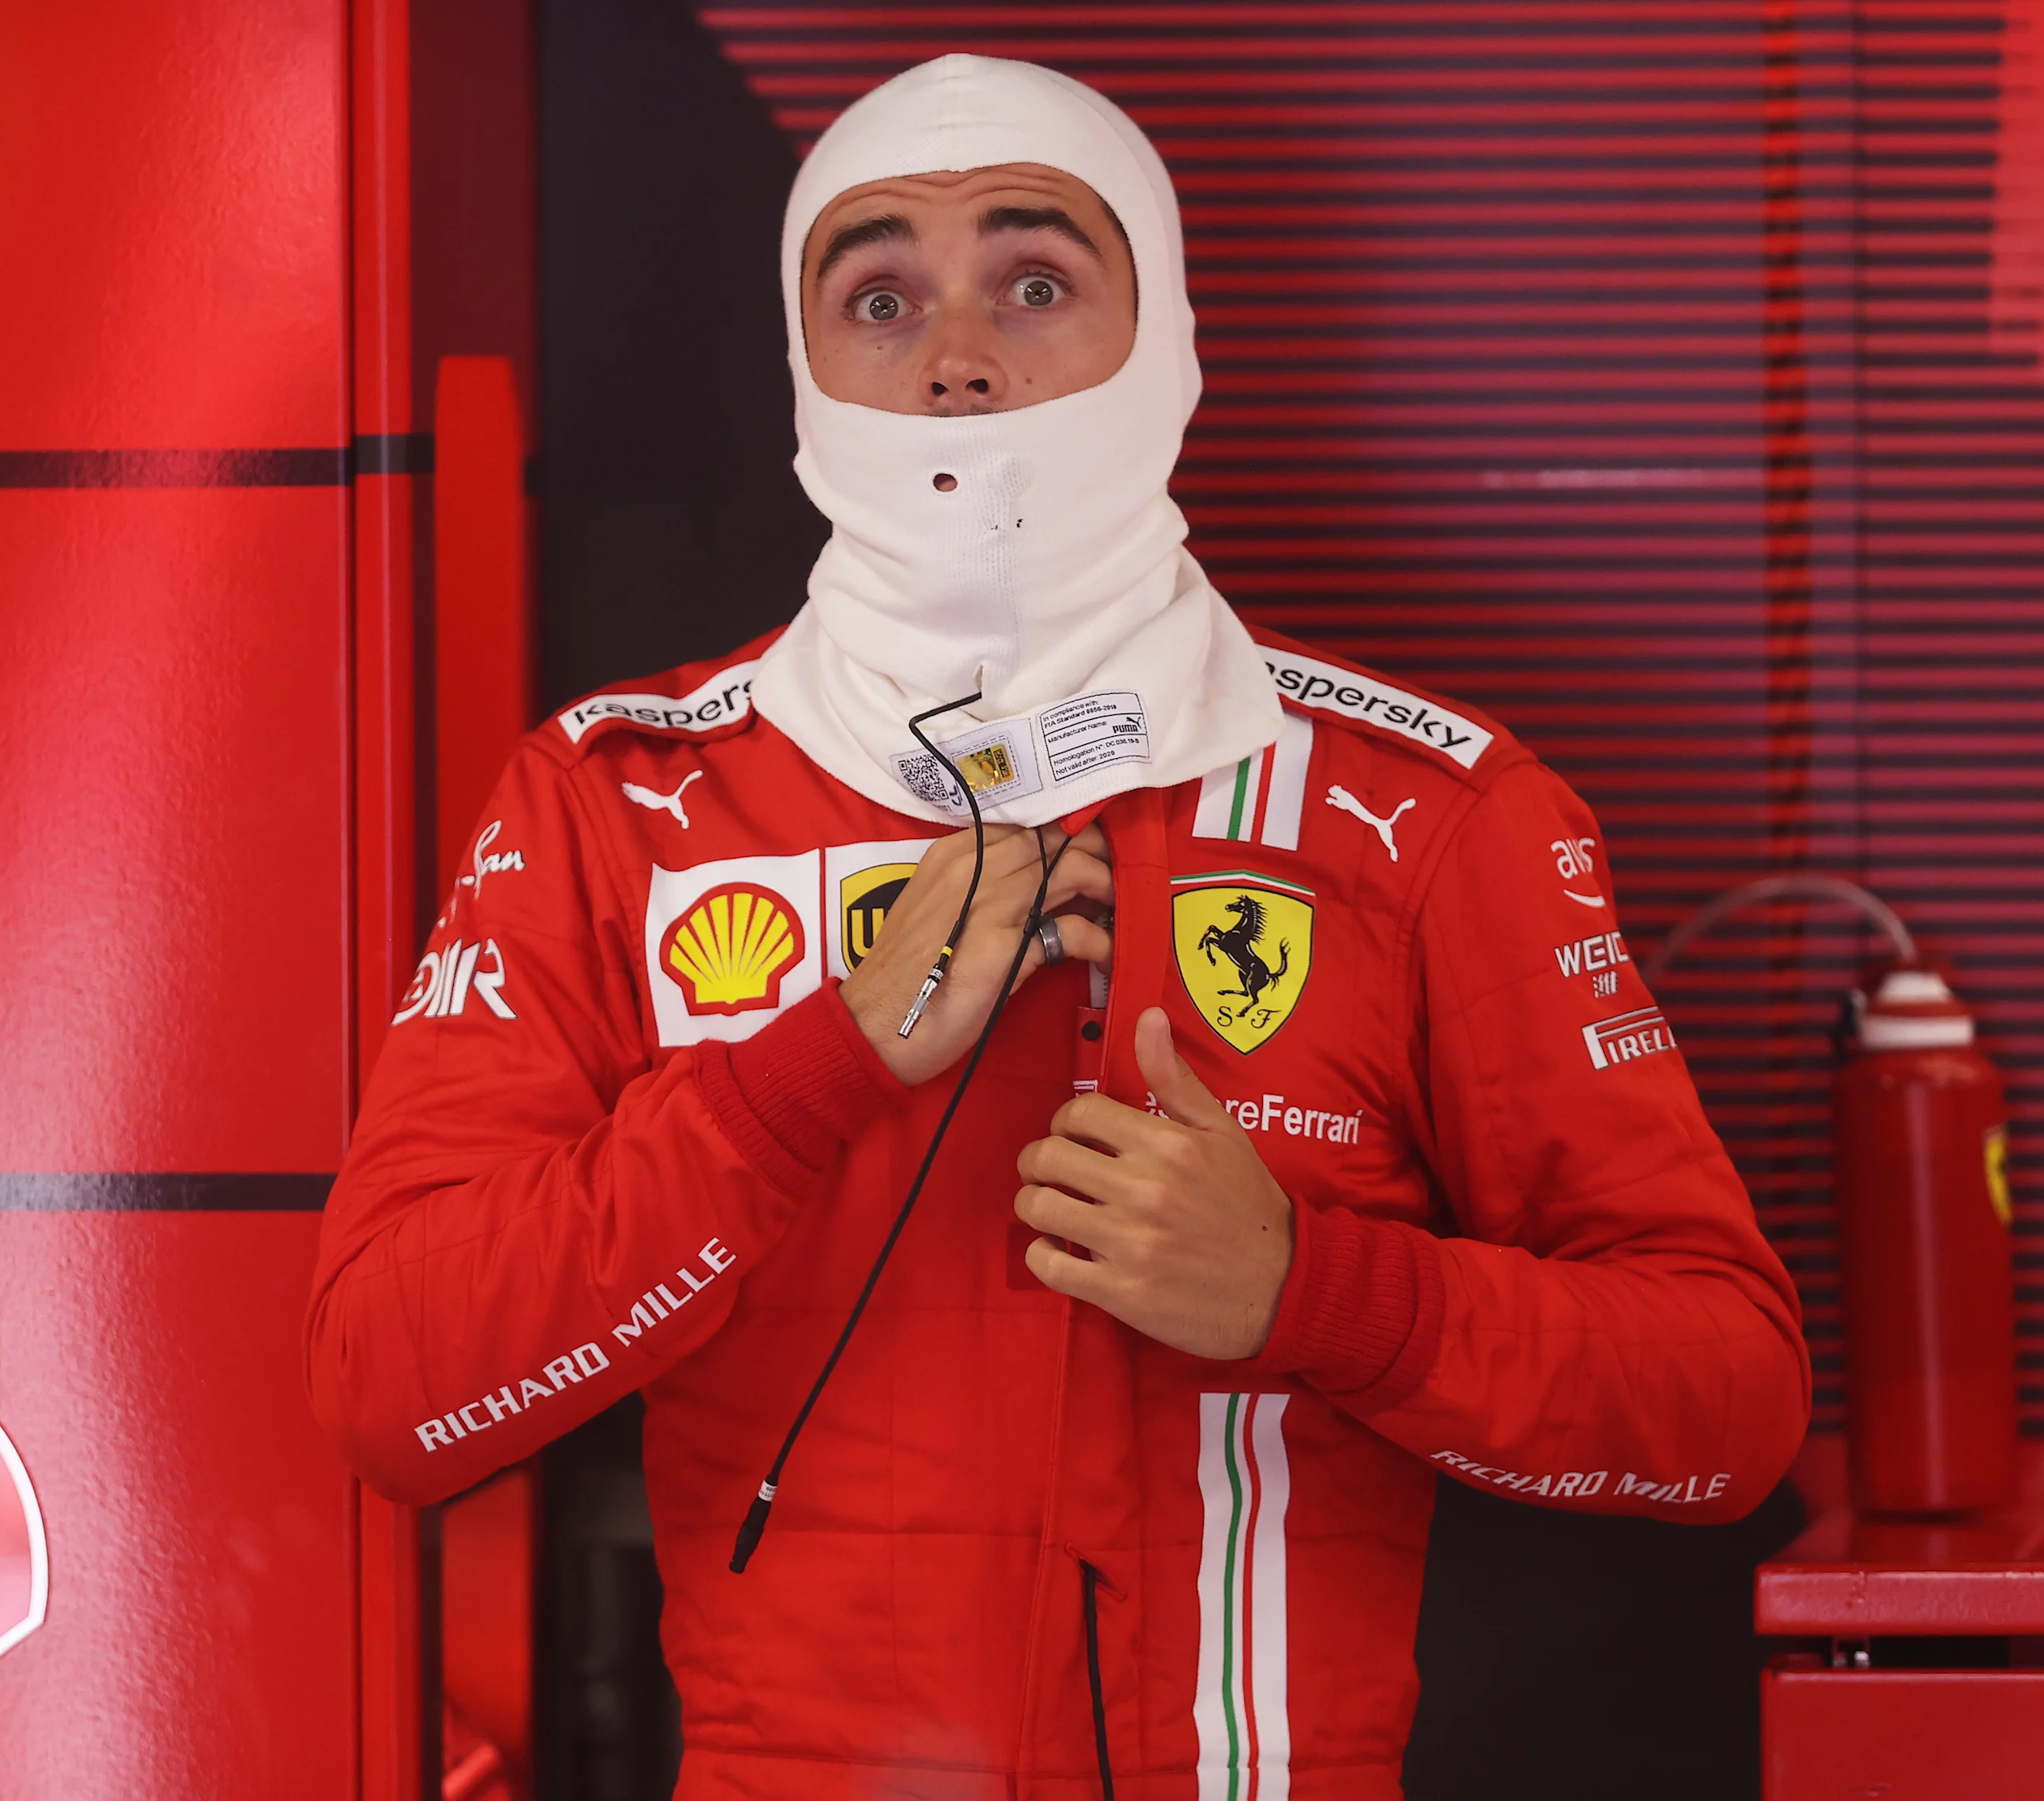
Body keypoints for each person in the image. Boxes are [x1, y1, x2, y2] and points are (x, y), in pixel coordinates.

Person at [309, 54, 1808, 1801]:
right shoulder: (620, 800)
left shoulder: (1428, 816)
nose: (959, 357)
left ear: (1166, 337)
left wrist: (1324, 1292)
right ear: (805, 372)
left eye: (1035, 281)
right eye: (879, 295)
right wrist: (803, 1075)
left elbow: (1727, 1411)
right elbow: (390, 1393)